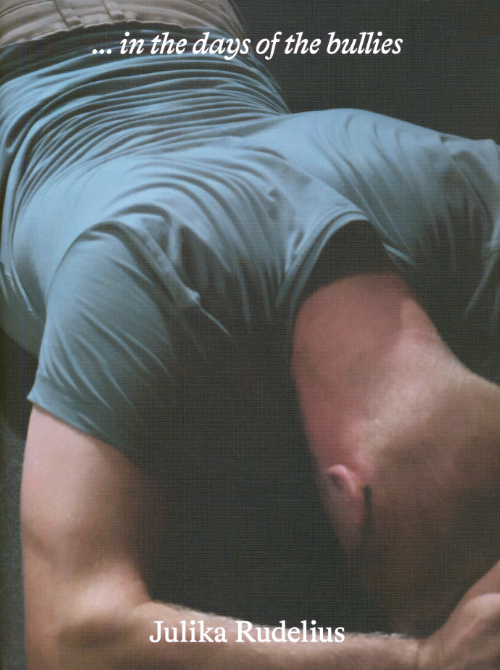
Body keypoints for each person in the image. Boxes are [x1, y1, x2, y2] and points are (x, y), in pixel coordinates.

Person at [2, 1, 500, 669]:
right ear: (345, 493)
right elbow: (72, 636)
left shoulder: (457, 176)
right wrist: (418, 658)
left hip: (185, 24)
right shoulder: (137, 269)